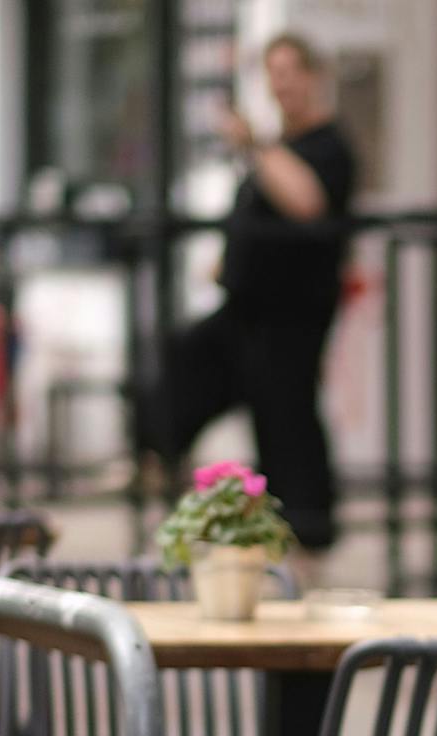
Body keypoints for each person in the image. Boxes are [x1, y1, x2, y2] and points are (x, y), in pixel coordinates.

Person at [156, 32, 355, 553]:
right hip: (244, 310)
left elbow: (307, 202)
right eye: (274, 75)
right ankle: (158, 463)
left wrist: (255, 145)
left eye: (290, 73)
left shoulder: (327, 148)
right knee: (183, 369)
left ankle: (307, 535)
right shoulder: (278, 148)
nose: (281, 86)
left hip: (291, 316)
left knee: (286, 421)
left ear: (314, 77)